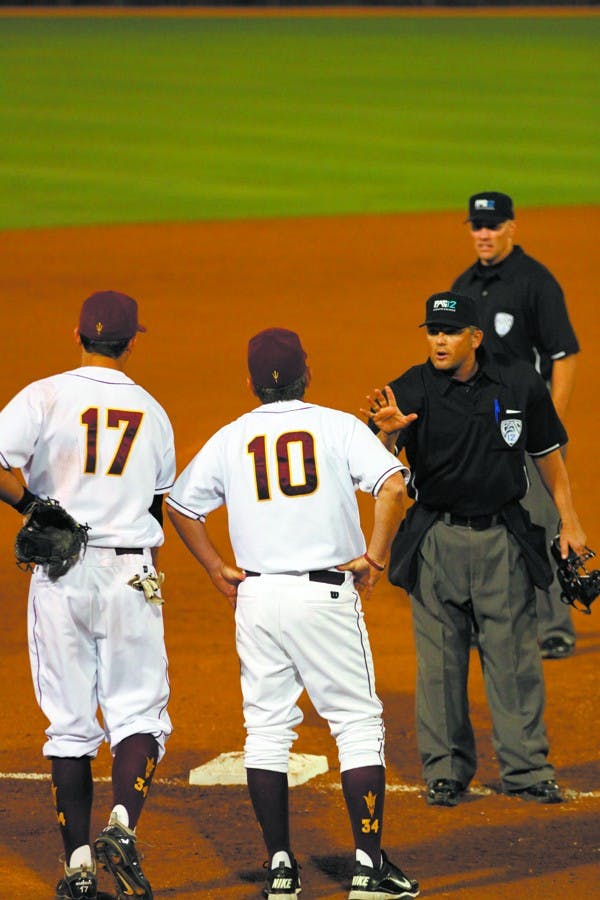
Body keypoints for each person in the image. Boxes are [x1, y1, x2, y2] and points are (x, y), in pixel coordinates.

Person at [167, 327, 420, 900]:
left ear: (252, 383)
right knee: (357, 725)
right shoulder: (336, 425)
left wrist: (213, 566)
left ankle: (281, 868)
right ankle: (368, 867)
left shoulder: (232, 437)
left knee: (265, 732)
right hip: (324, 597)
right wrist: (376, 557)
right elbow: (392, 487)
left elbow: (180, 505)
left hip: (257, 600)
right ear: (308, 372)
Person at [365, 291, 586, 809]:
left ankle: (527, 768)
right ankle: (445, 771)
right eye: (432, 331)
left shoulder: (518, 381)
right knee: (440, 665)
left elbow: (547, 453)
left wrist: (569, 520)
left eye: (450, 332)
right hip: (435, 541)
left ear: (475, 337)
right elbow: (370, 470)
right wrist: (386, 437)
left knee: (513, 660)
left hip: (502, 538)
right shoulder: (410, 389)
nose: (439, 340)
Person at [0, 291, 175, 900]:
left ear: (77, 333)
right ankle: (122, 823)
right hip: (131, 573)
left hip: (60, 577)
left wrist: (33, 506)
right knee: (142, 714)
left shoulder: (44, 394)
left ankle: (77, 867)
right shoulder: (152, 411)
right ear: (131, 343)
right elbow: (157, 499)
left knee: (70, 725)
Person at [451, 191, 580, 659]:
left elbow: (563, 356)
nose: (483, 234)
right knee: (478, 522)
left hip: (528, 428)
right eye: (477, 226)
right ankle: (482, 620)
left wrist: (550, 426)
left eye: (493, 225)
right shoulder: (463, 285)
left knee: (545, 523)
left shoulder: (535, 283)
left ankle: (555, 626)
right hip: (478, 429)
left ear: (511, 227)